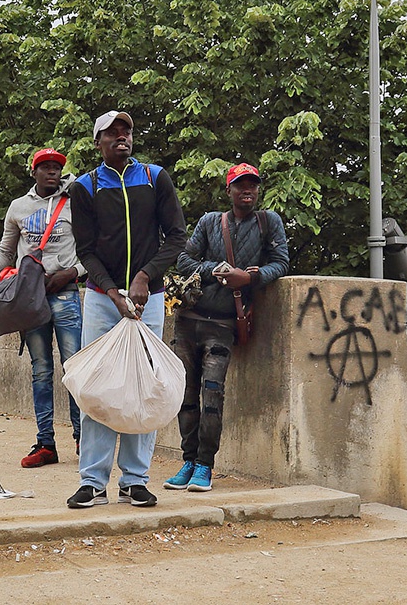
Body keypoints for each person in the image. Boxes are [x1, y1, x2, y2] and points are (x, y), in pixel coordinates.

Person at [66, 111, 187, 508]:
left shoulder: (154, 177)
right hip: (102, 300)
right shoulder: (85, 186)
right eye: (113, 132)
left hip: (148, 299)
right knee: (97, 387)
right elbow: (86, 250)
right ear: (98, 141)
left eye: (127, 131)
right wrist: (112, 291)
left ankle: (135, 479)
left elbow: (176, 236)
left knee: (143, 387)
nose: (122, 137)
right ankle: (93, 481)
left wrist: (145, 277)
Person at [165, 163, 289, 492]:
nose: (246, 190)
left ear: (258, 190)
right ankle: (188, 461)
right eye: (239, 185)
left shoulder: (269, 222)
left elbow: (282, 263)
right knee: (186, 396)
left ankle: (205, 465)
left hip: (223, 324)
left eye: (252, 184)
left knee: (211, 395)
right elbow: (184, 260)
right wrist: (217, 270)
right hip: (189, 320)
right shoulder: (209, 222)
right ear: (229, 190)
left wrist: (250, 277)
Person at [0, 148, 84, 467]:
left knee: (74, 369)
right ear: (33, 172)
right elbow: (6, 252)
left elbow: (90, 250)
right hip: (31, 296)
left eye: (57, 168)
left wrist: (72, 272)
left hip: (65, 293)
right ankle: (45, 443)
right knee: (42, 370)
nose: (52, 172)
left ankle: (82, 438)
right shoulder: (18, 208)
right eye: (45, 167)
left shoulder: (75, 204)